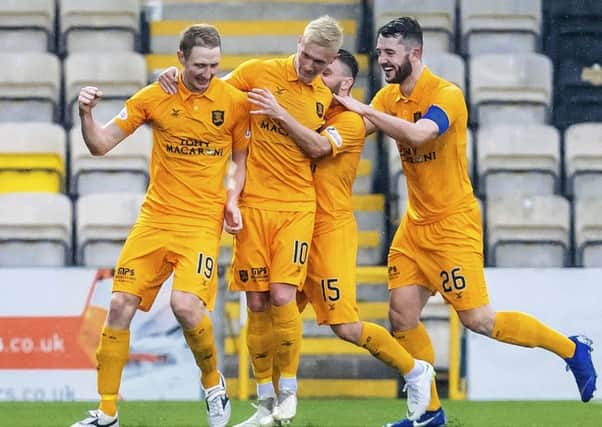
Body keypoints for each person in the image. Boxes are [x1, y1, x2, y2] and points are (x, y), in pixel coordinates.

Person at [334, 17, 598, 427]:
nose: (382, 60)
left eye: (390, 53)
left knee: (480, 322)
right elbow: (354, 131)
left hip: (452, 225)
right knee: (401, 314)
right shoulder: (388, 98)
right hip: (415, 225)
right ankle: (429, 411)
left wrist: (364, 108)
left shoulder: (446, 95)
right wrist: (325, 111)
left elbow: (421, 135)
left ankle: (571, 349)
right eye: (381, 52)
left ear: (414, 53)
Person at [159, 15, 346, 426]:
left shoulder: (324, 99)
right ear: (299, 43)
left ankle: (290, 391)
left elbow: (320, 147)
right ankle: (264, 401)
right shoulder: (259, 72)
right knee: (256, 302)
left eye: (321, 62)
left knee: (282, 296)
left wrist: (280, 113)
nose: (311, 66)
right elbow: (212, 88)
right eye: (307, 56)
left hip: (297, 207)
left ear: (332, 61)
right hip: (253, 206)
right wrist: (173, 75)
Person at [70, 24, 250, 427]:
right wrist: (85, 113)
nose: (207, 74)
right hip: (155, 219)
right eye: (200, 65)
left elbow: (241, 159)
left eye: (215, 66)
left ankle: (212, 383)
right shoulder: (155, 97)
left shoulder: (234, 102)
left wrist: (233, 199)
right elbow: (99, 145)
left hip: (202, 221)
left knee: (185, 306)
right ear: (180, 59)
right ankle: (107, 413)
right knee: (118, 305)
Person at [247, 48, 435, 425]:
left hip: (329, 230)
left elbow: (316, 146)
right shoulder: (307, 107)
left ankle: (414, 370)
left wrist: (280, 114)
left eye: (327, 71)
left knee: (345, 326)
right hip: (294, 225)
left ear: (345, 83)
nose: (317, 76)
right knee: (267, 313)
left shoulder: (351, 121)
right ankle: (269, 407)